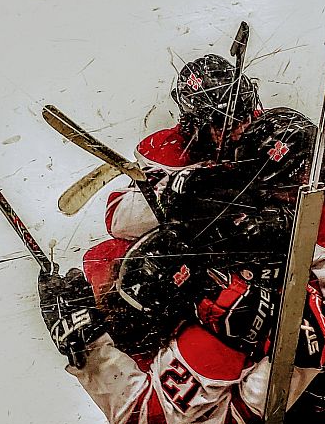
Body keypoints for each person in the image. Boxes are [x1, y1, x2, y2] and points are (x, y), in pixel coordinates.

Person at [38, 107, 325, 424]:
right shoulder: (278, 178)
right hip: (257, 317)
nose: (258, 196)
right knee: (105, 257)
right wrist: (180, 190)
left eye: (273, 190)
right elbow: (125, 218)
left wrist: (90, 346)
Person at [83, 53, 263, 304]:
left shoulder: (265, 128)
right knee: (105, 255)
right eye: (224, 123)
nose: (241, 128)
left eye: (244, 115)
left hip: (262, 242)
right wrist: (181, 198)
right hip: (203, 260)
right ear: (196, 123)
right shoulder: (168, 151)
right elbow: (117, 219)